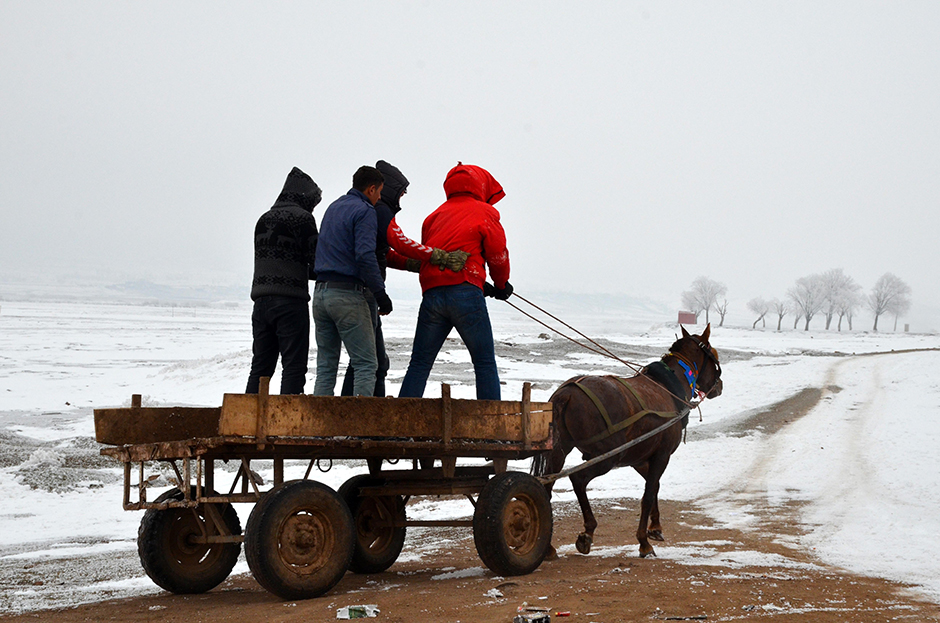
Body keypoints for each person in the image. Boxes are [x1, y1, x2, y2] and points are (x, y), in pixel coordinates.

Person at [340, 160, 469, 397]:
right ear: (386, 190)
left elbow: (385, 254)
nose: (401, 200)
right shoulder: (381, 211)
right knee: (371, 361)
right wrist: (437, 256)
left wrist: (416, 264)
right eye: (401, 193)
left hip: (353, 290)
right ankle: (360, 418)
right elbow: (400, 243)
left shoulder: (361, 210)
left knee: (368, 360)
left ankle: (363, 413)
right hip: (365, 292)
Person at [398, 163, 512, 401]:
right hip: (465, 294)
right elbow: (497, 255)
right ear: (481, 186)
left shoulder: (433, 217)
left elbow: (428, 255)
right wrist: (501, 286)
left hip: (432, 295)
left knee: (419, 363)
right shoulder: (484, 212)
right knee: (483, 363)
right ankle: (490, 429)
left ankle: (402, 423)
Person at [312, 166, 393, 396]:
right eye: (379, 193)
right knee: (367, 364)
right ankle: (360, 429)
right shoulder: (365, 210)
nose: (379, 199)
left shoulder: (333, 207)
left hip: (320, 294)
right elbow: (365, 255)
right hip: (347, 294)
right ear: (371, 189)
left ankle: (320, 430)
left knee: (326, 367)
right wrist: (381, 295)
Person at [245, 167, 321, 395]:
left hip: (260, 303)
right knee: (294, 367)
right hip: (290, 302)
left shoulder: (263, 219)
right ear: (304, 196)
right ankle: (287, 425)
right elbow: (316, 263)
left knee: (260, 367)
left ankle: (248, 421)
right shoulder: (303, 219)